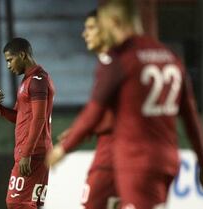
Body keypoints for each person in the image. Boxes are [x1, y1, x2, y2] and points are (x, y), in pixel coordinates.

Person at [47, 1, 203, 209]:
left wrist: (63, 148)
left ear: (115, 22)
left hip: (136, 161)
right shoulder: (170, 56)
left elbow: (94, 110)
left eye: (104, 25)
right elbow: (190, 116)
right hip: (167, 159)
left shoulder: (120, 58)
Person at [0, 37, 54, 209]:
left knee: (16, 202)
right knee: (32, 204)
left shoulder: (37, 81)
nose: (8, 65)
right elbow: (20, 117)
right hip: (37, 151)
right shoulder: (29, 81)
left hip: (33, 153)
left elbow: (38, 118)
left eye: (10, 60)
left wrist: (26, 153)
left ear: (23, 55)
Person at [78, 9, 118, 209]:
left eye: (91, 28)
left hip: (113, 157)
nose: (85, 33)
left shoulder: (116, 65)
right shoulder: (107, 64)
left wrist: (69, 142)